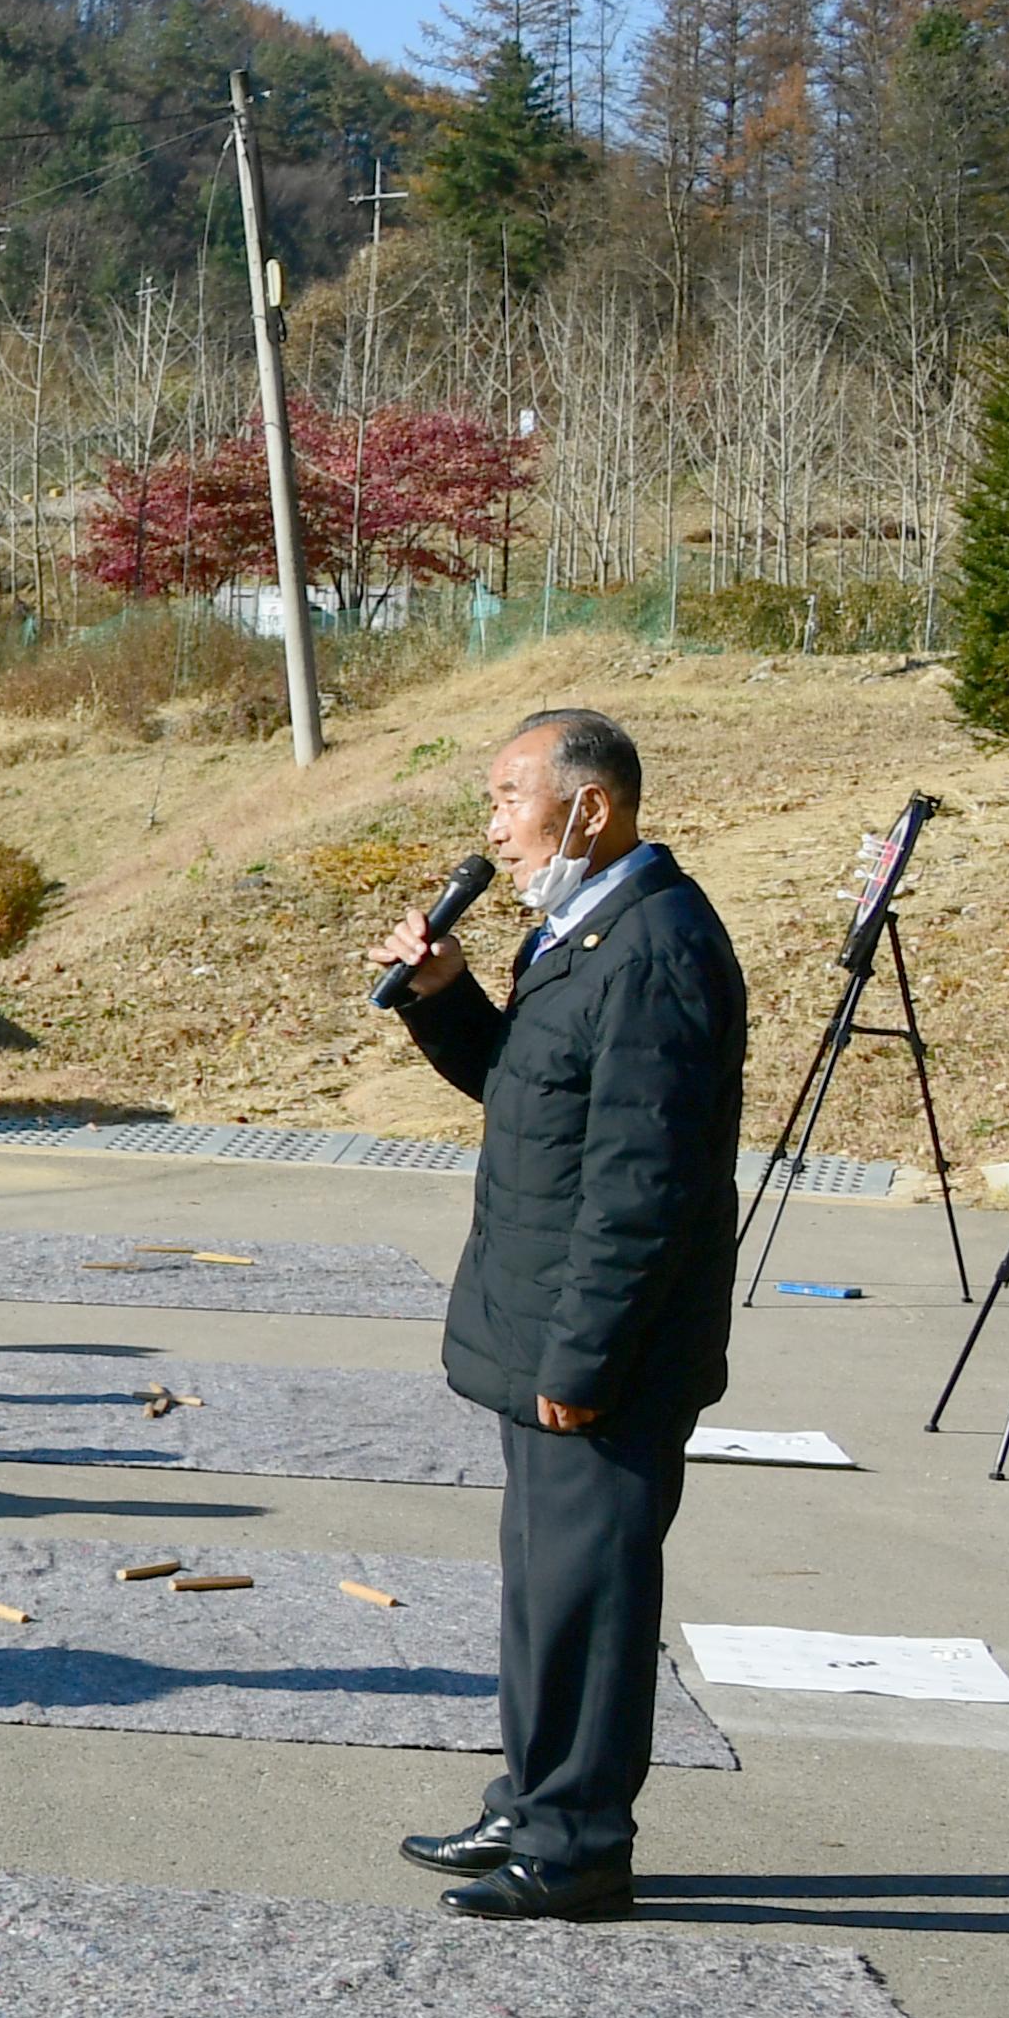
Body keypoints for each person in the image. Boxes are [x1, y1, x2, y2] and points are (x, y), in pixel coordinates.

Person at [375, 708, 749, 1923]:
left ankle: (582, 1842)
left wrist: (585, 1354)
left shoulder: (657, 948)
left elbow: (647, 1178)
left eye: (508, 798)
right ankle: (534, 1799)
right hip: (540, 1327)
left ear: (589, 807)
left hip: (603, 1352)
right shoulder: (579, 935)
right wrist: (444, 998)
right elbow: (535, 1094)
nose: (495, 829)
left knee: (591, 1595)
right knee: (543, 1585)